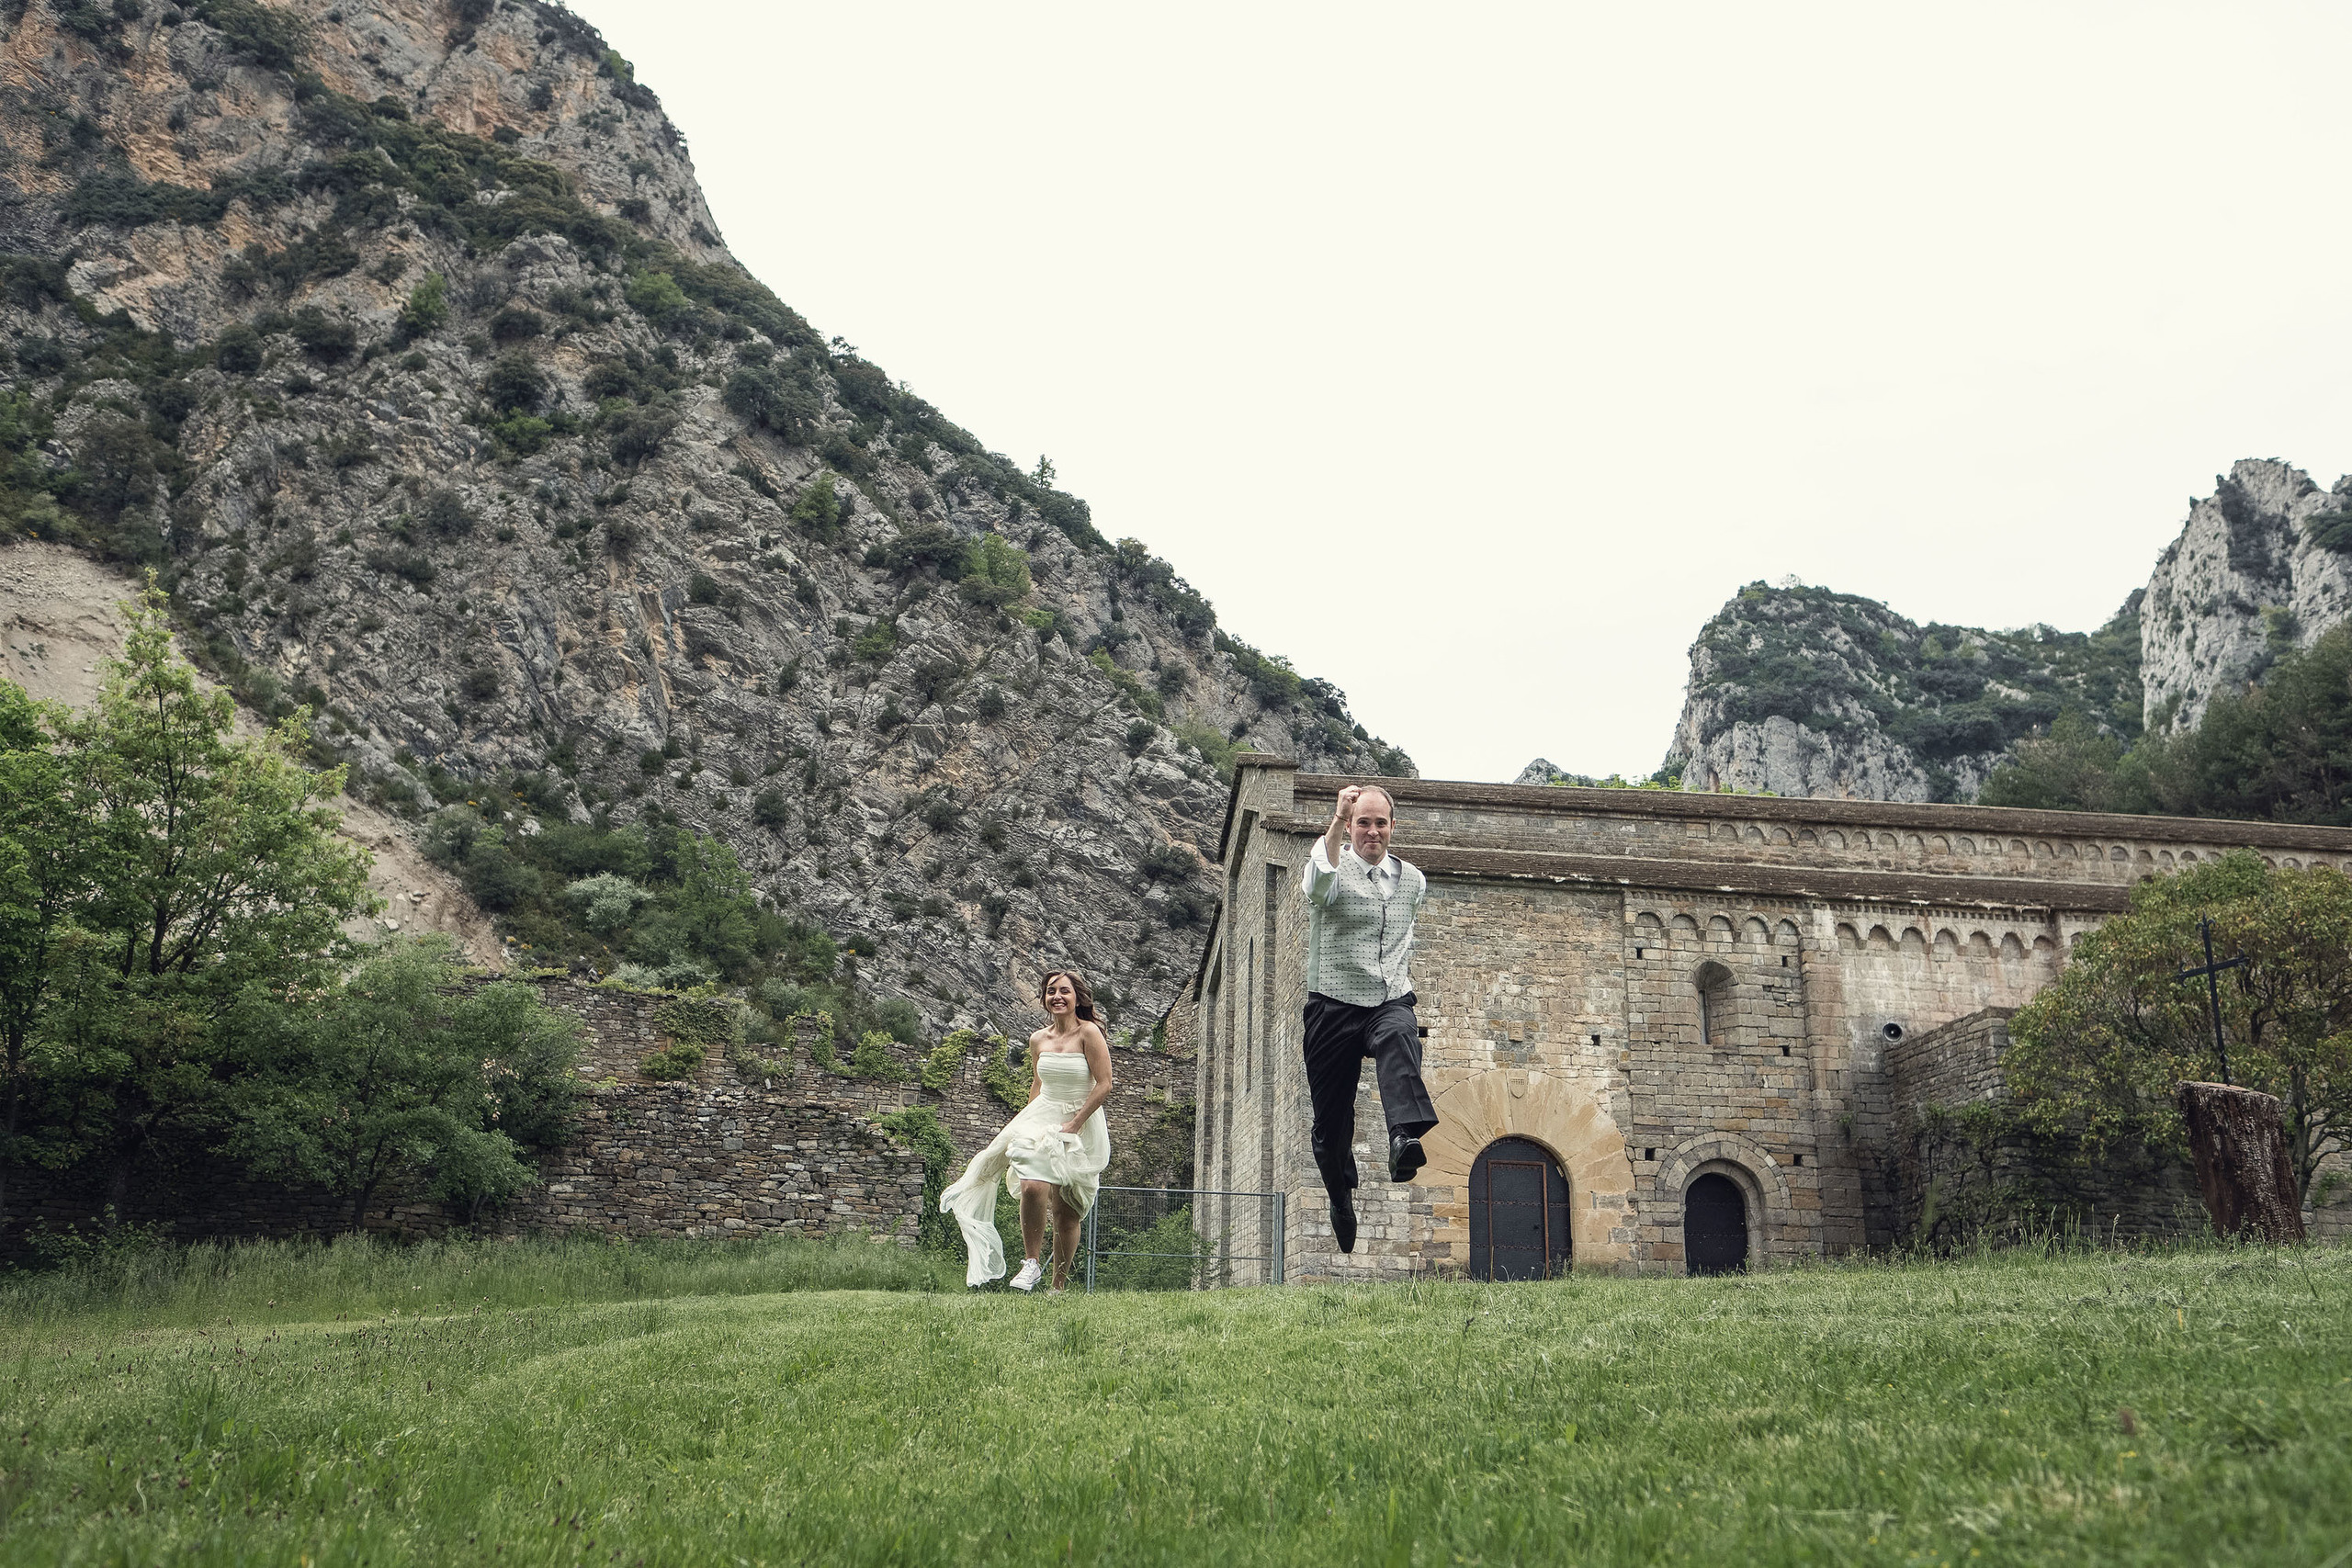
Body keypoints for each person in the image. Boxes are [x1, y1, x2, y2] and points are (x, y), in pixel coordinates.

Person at [1300, 783, 1437, 1254]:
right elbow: (1317, 884)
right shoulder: (1332, 867)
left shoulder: (1414, 881)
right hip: (1332, 1006)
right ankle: (1341, 1197)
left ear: (1393, 826)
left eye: (1380, 823)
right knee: (1330, 1125)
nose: (1372, 831)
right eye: (1363, 822)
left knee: (1402, 1034)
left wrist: (1398, 987)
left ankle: (1403, 1137)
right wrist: (1337, 818)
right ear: (1352, 826)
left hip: (1386, 1000)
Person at [940, 969, 1114, 1292]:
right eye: (1051, 991)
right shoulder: (1038, 1039)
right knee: (1033, 1186)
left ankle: (1057, 1286)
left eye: (1064, 991)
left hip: (1082, 1122)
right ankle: (1031, 1263)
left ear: (1077, 997)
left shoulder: (1089, 1033)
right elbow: (1038, 1083)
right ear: (1045, 998)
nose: (1057, 996)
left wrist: (1075, 1124)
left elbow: (1104, 1084)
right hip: (1043, 1115)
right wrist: (1025, 1120)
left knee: (1067, 1211)